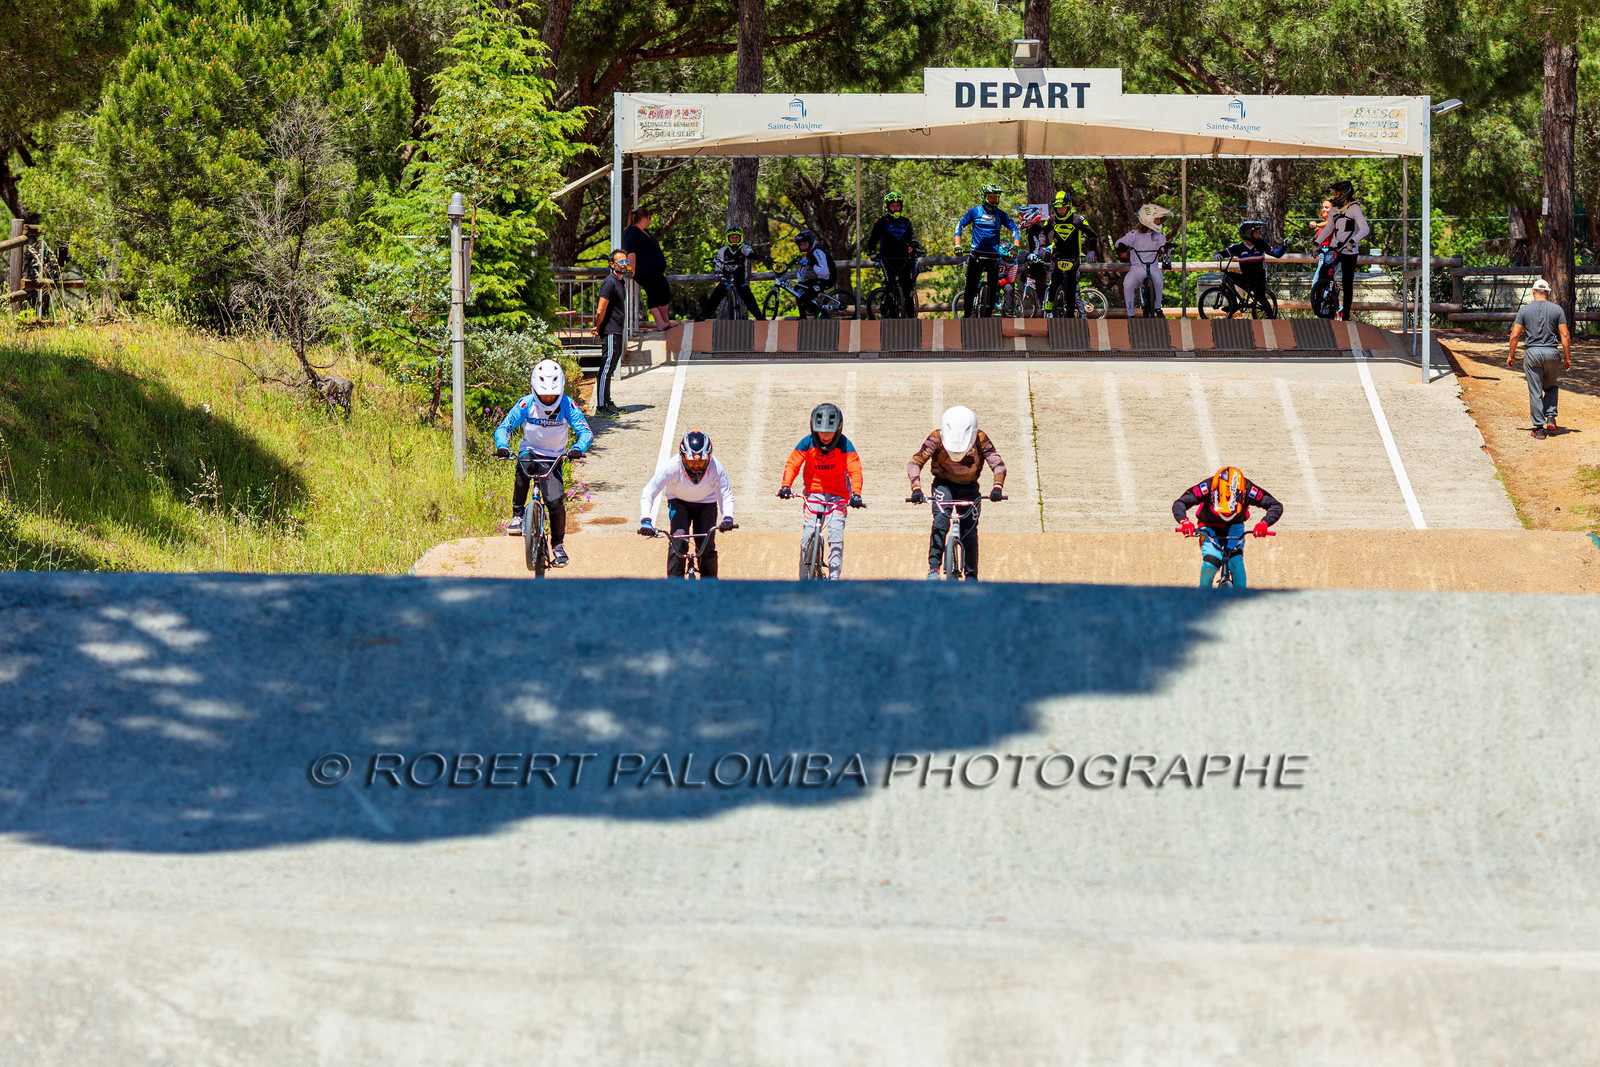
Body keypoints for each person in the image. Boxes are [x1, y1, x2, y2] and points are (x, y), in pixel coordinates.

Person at [494, 358, 593, 566]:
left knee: (556, 503)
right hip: (530, 451)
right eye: (543, 394)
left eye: (552, 395)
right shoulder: (526, 403)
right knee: (522, 465)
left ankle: (558, 545)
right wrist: (503, 445)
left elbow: (585, 432)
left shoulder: (568, 404)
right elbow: (504, 427)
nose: (548, 398)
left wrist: (577, 449)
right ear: (534, 389)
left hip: (554, 457)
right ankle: (518, 516)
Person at [907, 406, 1007, 580]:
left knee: (969, 531)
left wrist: (997, 487)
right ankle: (934, 568)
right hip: (943, 485)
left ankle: (971, 575)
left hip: (969, 487)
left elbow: (997, 464)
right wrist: (916, 488)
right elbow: (915, 462)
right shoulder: (936, 437)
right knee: (940, 522)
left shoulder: (980, 439)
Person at [777, 402, 865, 580]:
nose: (825, 436)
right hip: (813, 495)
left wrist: (856, 493)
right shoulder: (807, 442)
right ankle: (803, 581)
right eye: (821, 431)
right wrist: (786, 485)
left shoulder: (845, 445)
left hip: (838, 497)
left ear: (838, 429)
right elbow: (793, 463)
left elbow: (855, 469)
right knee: (807, 538)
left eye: (829, 432)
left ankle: (834, 579)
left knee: (835, 538)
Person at [638, 430, 736, 577]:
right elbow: (649, 491)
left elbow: (726, 495)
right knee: (678, 540)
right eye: (691, 462)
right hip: (678, 502)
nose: (696, 466)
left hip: (706, 503)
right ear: (682, 457)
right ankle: (674, 586)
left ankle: (710, 587)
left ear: (709, 457)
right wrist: (646, 520)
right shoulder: (672, 467)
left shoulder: (717, 468)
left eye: (701, 461)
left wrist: (727, 517)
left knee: (706, 545)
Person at [1172, 466, 1282, 589]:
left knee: (1236, 562)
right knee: (1210, 564)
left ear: (1243, 496)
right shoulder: (1205, 488)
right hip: (1208, 525)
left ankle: (1241, 598)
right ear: (1213, 494)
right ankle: (1202, 594)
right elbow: (1180, 502)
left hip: (1235, 525)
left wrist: (1264, 523)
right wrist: (1184, 521)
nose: (1227, 514)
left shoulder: (1249, 490)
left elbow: (1275, 505)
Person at [1507, 278, 1574, 439]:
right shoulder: (1557, 310)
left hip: (1533, 353)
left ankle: (1538, 428)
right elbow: (1565, 335)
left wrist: (1511, 355)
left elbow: (1515, 334)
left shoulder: (1524, 310)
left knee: (1535, 390)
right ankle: (1550, 417)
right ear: (1549, 293)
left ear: (1533, 291)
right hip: (1552, 353)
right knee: (1551, 386)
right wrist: (1567, 357)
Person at [1027, 189, 1099, 317]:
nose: (1060, 211)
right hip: (1057, 257)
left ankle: (1070, 315)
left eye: (1063, 208)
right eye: (1058, 208)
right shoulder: (1052, 219)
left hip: (1073, 259)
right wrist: (1043, 246)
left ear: (1068, 206)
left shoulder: (1078, 219)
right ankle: (1049, 301)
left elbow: (1093, 235)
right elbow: (1043, 232)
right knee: (1055, 281)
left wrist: (1092, 250)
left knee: (1071, 289)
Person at [955, 183, 1021, 317]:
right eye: (991, 197)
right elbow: (960, 225)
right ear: (985, 197)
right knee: (971, 287)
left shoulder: (1001, 214)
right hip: (977, 255)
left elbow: (1015, 229)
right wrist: (957, 244)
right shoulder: (975, 212)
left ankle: (989, 313)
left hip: (993, 257)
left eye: (995, 198)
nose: (993, 200)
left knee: (993, 287)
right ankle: (967, 315)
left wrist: (1015, 247)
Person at [1314, 179, 1371, 321]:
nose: (1334, 196)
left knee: (1347, 282)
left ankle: (1345, 315)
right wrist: (1317, 243)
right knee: (1323, 271)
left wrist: (1353, 241)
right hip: (1335, 247)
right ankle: (1323, 303)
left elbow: (1365, 229)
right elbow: (1328, 228)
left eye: (1336, 193)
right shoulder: (1334, 208)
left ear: (1344, 193)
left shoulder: (1354, 208)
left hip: (1350, 250)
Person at [865, 192, 920, 318]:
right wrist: (872, 252)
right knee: (890, 286)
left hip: (904, 259)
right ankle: (892, 316)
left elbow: (913, 238)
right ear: (887, 207)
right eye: (892, 206)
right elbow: (873, 239)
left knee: (907, 288)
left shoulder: (906, 222)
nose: (895, 208)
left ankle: (911, 317)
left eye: (897, 205)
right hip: (886, 258)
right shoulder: (881, 222)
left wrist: (916, 248)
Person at [1115, 203, 1172, 317]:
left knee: (1159, 281)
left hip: (1153, 267)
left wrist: (1167, 248)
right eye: (1157, 219)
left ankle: (1158, 308)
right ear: (1149, 219)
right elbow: (1118, 242)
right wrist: (1121, 245)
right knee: (1128, 284)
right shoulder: (1134, 234)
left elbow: (1164, 245)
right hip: (1137, 268)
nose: (1159, 222)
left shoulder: (1158, 235)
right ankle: (1130, 314)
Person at [591, 250, 630, 417]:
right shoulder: (609, 283)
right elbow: (601, 310)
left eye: (625, 262)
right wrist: (598, 327)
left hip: (618, 330)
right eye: (620, 262)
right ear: (612, 264)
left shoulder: (620, 282)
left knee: (612, 366)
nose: (623, 264)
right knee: (606, 367)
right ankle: (601, 407)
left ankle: (607, 402)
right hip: (610, 330)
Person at [621, 206, 673, 332]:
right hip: (644, 271)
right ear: (644, 218)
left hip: (655, 271)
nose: (649, 220)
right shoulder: (631, 231)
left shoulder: (645, 231)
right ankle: (661, 322)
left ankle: (665, 321)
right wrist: (631, 268)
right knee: (654, 294)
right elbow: (631, 251)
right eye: (649, 218)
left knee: (663, 291)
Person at [697, 225, 765, 320]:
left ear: (740, 238)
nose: (734, 239)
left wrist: (752, 255)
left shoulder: (744, 248)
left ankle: (759, 316)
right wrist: (725, 283)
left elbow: (749, 251)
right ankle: (702, 317)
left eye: (736, 237)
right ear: (728, 238)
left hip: (739, 279)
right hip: (726, 280)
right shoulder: (722, 251)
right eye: (732, 237)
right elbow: (718, 270)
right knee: (714, 297)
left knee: (748, 296)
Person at [1222, 220, 1287, 316]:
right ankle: (1233, 305)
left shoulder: (1261, 244)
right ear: (1248, 234)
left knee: (1259, 296)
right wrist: (1217, 255)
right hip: (1246, 278)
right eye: (1256, 233)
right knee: (1227, 276)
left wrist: (1285, 246)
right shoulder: (1239, 247)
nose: (1258, 235)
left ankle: (1271, 317)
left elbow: (1277, 254)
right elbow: (1225, 253)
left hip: (1259, 279)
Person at [793, 229, 834, 318]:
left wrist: (811, 264)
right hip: (820, 280)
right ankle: (803, 317)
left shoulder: (817, 251)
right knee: (797, 289)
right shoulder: (807, 255)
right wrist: (800, 283)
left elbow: (824, 271)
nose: (803, 247)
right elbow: (801, 270)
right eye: (801, 245)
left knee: (805, 297)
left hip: (828, 280)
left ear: (810, 242)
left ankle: (822, 314)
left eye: (805, 243)